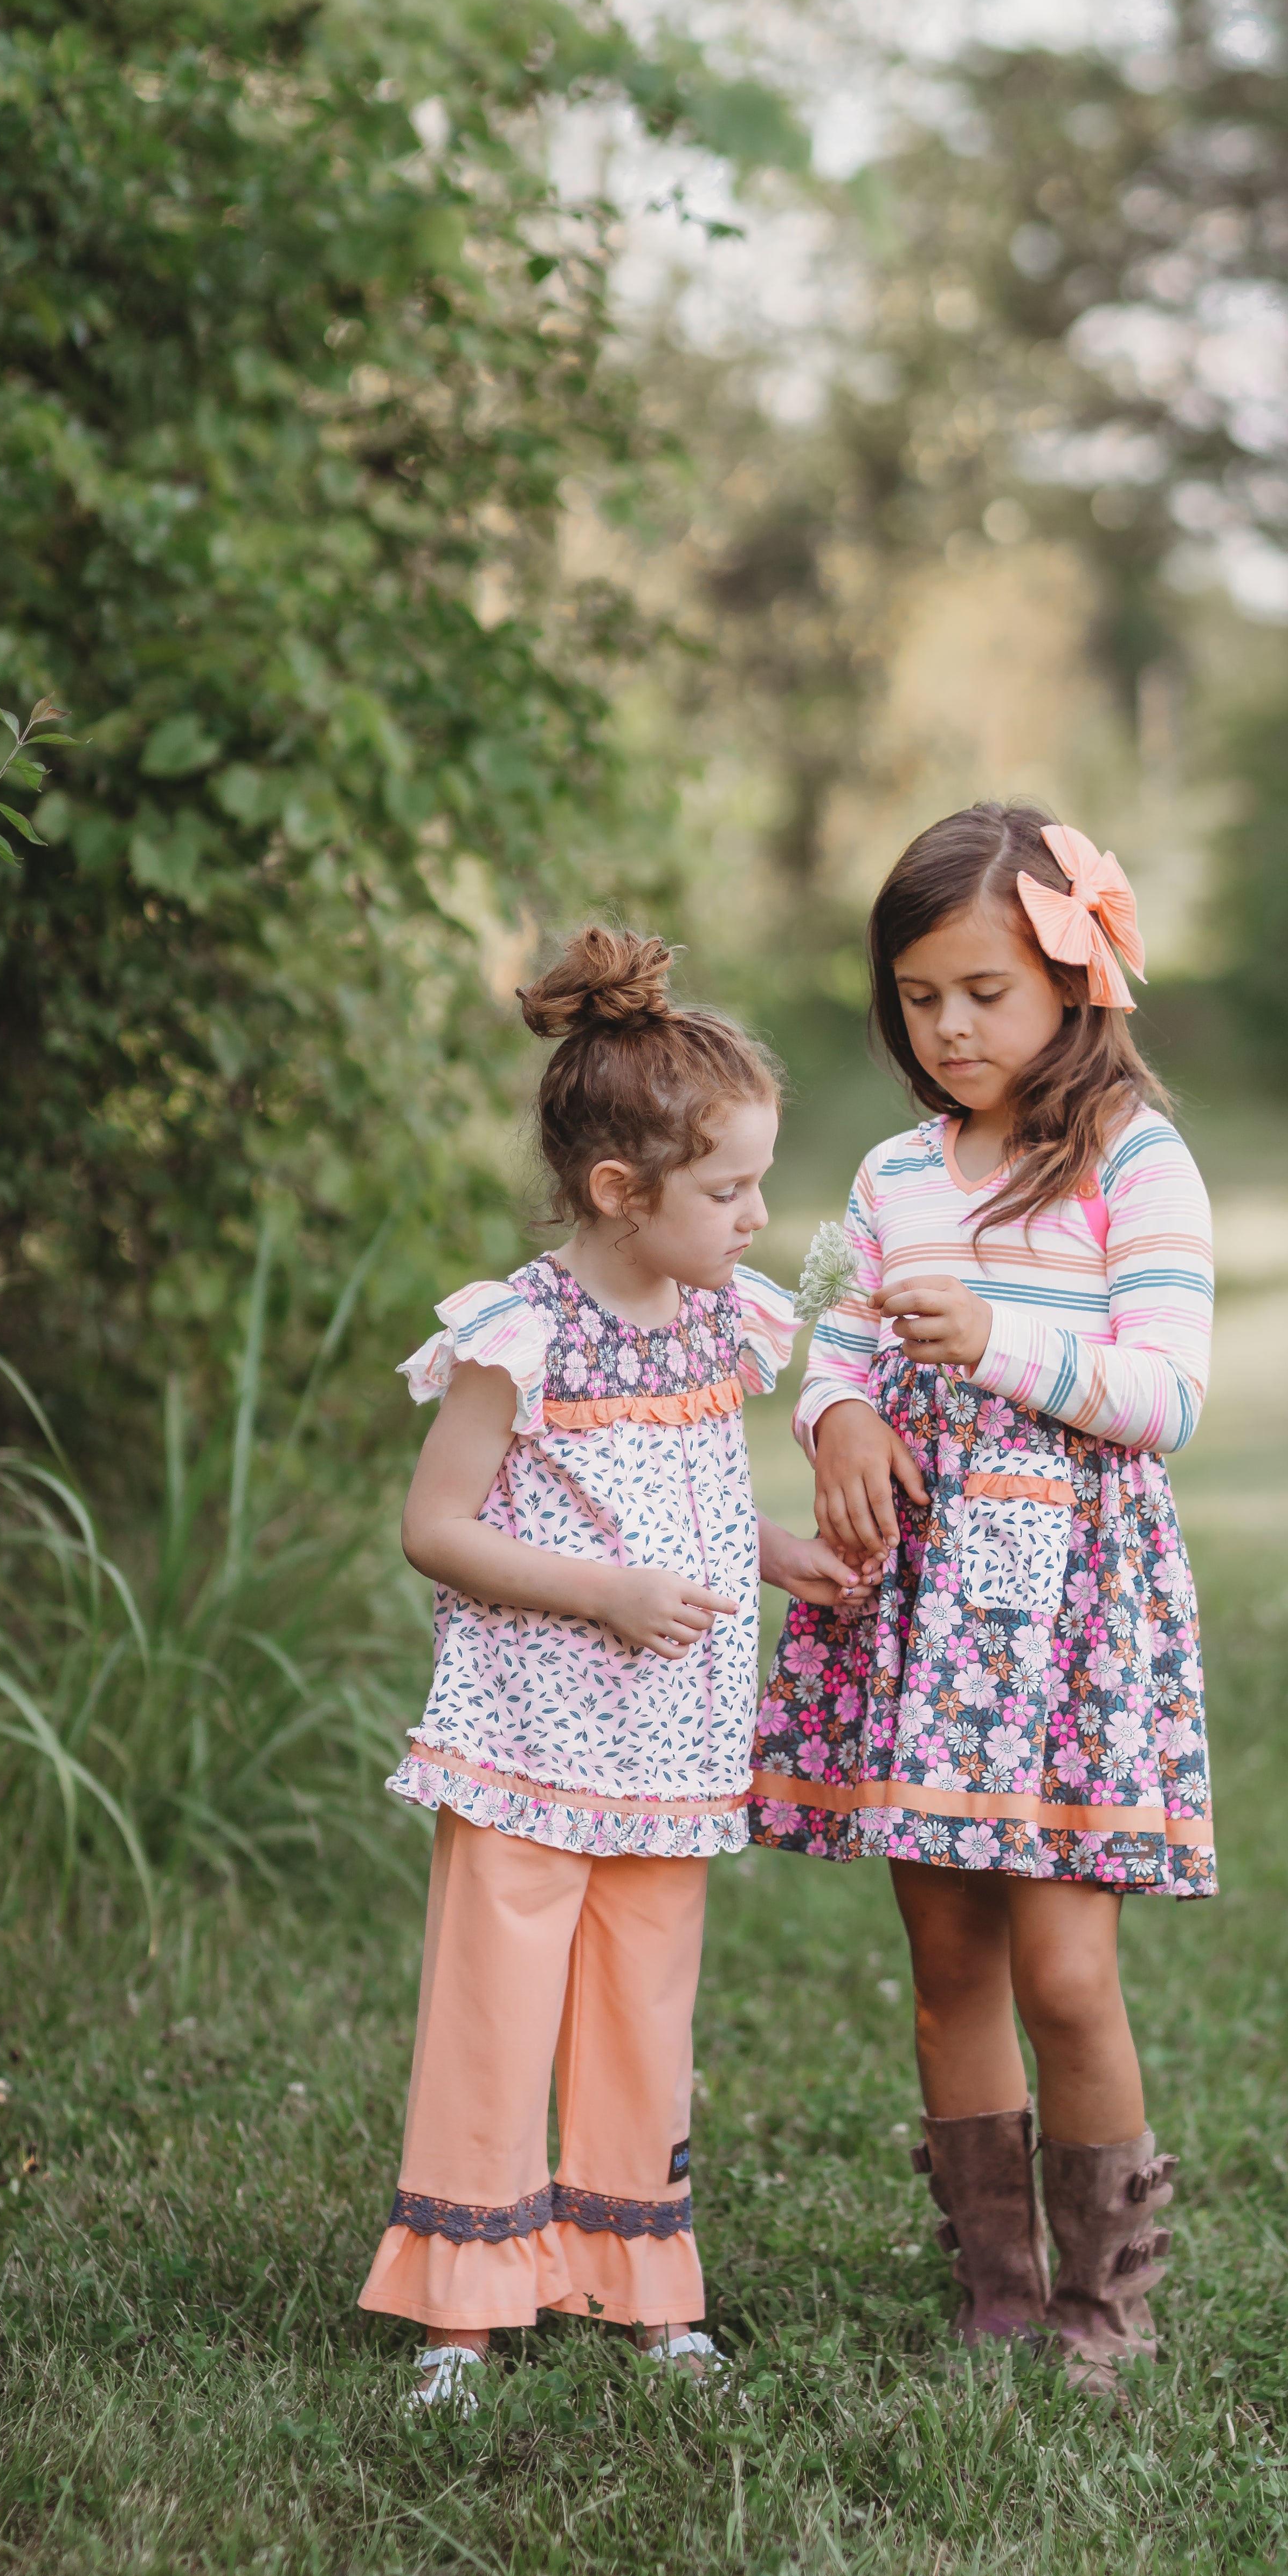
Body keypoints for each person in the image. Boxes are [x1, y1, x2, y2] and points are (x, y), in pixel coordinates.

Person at [361, 924, 863, 2409]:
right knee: (498, 2011)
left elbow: (688, 1489)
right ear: (617, 1194)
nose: (759, 1217)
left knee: (646, 2007)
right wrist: (606, 1598)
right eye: (729, 1191)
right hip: (531, 1735)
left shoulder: (716, 1319)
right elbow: (436, 1528)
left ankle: (638, 2277)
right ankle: (466, 2303)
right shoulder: (524, 1333)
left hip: (670, 1745)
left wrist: (774, 1553)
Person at [750, 806, 1216, 2392]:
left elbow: (1166, 1395)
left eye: (986, 993)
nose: (949, 1028)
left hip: (1060, 1612)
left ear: (1076, 982)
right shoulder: (890, 1177)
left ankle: (1109, 2294)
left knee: (1065, 1969)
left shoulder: (1132, 1164)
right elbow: (837, 1340)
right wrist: (845, 1417)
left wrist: (995, 1350)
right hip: (921, 1604)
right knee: (947, 1959)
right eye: (919, 997)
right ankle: (998, 2288)